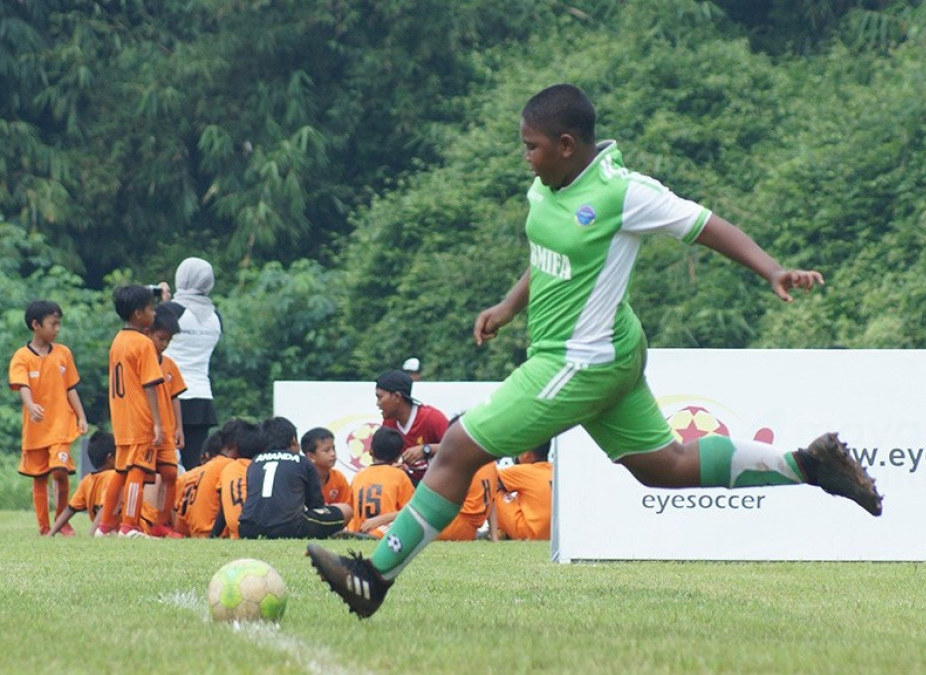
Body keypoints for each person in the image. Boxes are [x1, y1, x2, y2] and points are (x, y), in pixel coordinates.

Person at [308, 83, 883, 618]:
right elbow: (549, 254)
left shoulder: (622, 193)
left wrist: (772, 269)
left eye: (531, 147)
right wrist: (510, 305)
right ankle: (808, 466)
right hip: (609, 352)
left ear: (565, 145)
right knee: (663, 468)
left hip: (579, 362)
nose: (524, 158)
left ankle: (374, 579)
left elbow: (706, 224)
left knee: (457, 446)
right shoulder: (548, 185)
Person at [8, 300, 89, 535]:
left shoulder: (64, 353)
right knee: (39, 476)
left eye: (59, 324)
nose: (57, 329)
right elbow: (22, 384)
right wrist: (31, 405)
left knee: (60, 469)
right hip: (36, 427)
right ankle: (44, 527)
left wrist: (81, 416)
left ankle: (61, 520)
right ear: (36, 325)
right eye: (53, 324)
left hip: (61, 425)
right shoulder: (22, 356)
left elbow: (70, 388)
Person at [96, 285, 164, 538]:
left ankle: (105, 526)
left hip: (121, 418)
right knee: (136, 470)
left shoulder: (118, 341)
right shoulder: (143, 344)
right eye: (150, 308)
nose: (154, 313)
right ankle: (129, 526)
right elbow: (150, 385)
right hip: (139, 418)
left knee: (121, 471)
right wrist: (157, 423)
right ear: (138, 313)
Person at [238, 417, 353, 540]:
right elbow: (316, 505)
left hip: (248, 529)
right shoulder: (302, 461)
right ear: (293, 440)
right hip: (288, 527)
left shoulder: (255, 462)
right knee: (346, 510)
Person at [163, 257, 223, 470]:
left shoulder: (171, 311)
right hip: (201, 397)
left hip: (171, 396)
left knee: (164, 464)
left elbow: (153, 334)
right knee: (194, 467)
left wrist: (163, 303)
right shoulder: (216, 317)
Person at [145, 304, 187, 538]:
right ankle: (141, 521)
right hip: (146, 431)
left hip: (168, 432)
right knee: (146, 476)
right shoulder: (141, 361)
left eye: (168, 340)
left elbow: (175, 398)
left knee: (171, 474)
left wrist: (179, 428)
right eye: (161, 338)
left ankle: (163, 523)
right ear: (148, 333)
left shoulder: (169, 365)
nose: (164, 344)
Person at [374, 369, 449, 484]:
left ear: (397, 397)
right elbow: (383, 462)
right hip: (410, 487)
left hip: (439, 487)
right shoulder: (388, 425)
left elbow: (459, 449)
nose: (377, 404)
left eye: (380, 397)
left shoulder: (431, 417)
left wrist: (426, 449)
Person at [343, 426, 415, 538]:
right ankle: (374, 535)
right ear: (398, 457)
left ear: (371, 452)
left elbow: (351, 510)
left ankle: (353, 533)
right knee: (402, 522)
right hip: (383, 530)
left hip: (359, 529)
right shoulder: (400, 475)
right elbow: (410, 512)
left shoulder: (359, 476)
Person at [46, 431, 115, 537]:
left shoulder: (87, 480)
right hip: (111, 529)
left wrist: (51, 533)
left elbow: (70, 509)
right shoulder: (113, 476)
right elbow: (105, 507)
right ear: (110, 458)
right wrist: (93, 534)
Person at [489, 440, 554, 541]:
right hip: (554, 534)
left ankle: (496, 532)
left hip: (529, 534)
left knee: (491, 490)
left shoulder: (524, 470)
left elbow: (486, 478)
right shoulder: (554, 470)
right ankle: (502, 532)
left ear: (527, 454)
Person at [210, 420, 264, 539]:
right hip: (254, 529)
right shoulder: (258, 468)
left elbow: (223, 507)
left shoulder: (228, 468)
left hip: (235, 532)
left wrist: (212, 537)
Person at [301, 427, 353, 509]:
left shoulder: (338, 478)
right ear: (310, 456)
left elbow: (347, 508)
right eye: (326, 450)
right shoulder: (301, 479)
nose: (333, 454)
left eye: (333, 449)